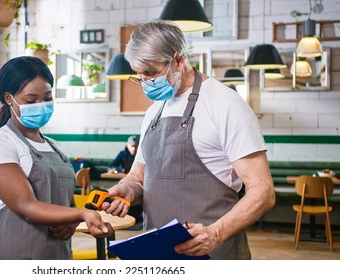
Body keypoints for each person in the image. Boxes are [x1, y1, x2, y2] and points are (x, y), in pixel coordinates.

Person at [101, 21, 275, 260]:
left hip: (214, 253)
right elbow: (138, 176)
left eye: (150, 73)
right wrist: (127, 190)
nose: (144, 82)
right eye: (138, 74)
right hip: (157, 254)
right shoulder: (154, 111)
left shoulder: (226, 105)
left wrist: (215, 233)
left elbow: (263, 191)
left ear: (178, 60)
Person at [0, 56, 111, 260]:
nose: (41, 105)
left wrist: (72, 221)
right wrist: (81, 214)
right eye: (31, 100)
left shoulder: (56, 147)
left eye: (47, 98)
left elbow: (65, 201)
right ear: (9, 98)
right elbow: (26, 206)